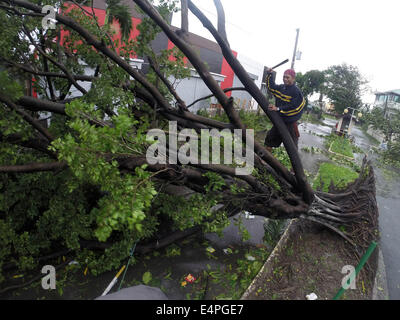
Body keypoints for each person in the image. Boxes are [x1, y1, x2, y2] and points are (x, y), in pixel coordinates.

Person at [264, 68, 305, 152]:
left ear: (293, 79)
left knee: (292, 146)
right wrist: (269, 74)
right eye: (284, 77)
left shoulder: (296, 92)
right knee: (269, 139)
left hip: (290, 122)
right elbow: (271, 87)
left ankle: (295, 165)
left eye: (287, 77)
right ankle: (265, 160)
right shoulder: (281, 88)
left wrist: (278, 109)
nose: (285, 79)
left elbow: (295, 107)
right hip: (280, 120)